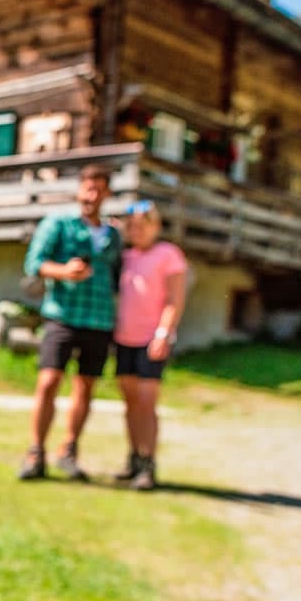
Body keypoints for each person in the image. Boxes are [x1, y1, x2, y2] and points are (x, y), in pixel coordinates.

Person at [18, 163, 122, 481]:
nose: (91, 194)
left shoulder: (114, 234)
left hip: (100, 320)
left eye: (98, 188)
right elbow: (34, 263)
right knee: (48, 382)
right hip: (62, 316)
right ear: (79, 191)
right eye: (87, 187)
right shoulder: (58, 224)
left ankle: (69, 450)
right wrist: (64, 272)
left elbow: (118, 275)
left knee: (86, 386)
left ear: (106, 193)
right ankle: (35, 452)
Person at [112, 200, 188, 491]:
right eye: (131, 226)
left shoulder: (169, 254)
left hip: (150, 340)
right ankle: (133, 459)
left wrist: (163, 334)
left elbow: (175, 299)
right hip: (124, 340)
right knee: (130, 403)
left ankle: (148, 462)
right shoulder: (126, 256)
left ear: (155, 226)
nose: (137, 231)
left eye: (143, 225)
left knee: (146, 403)